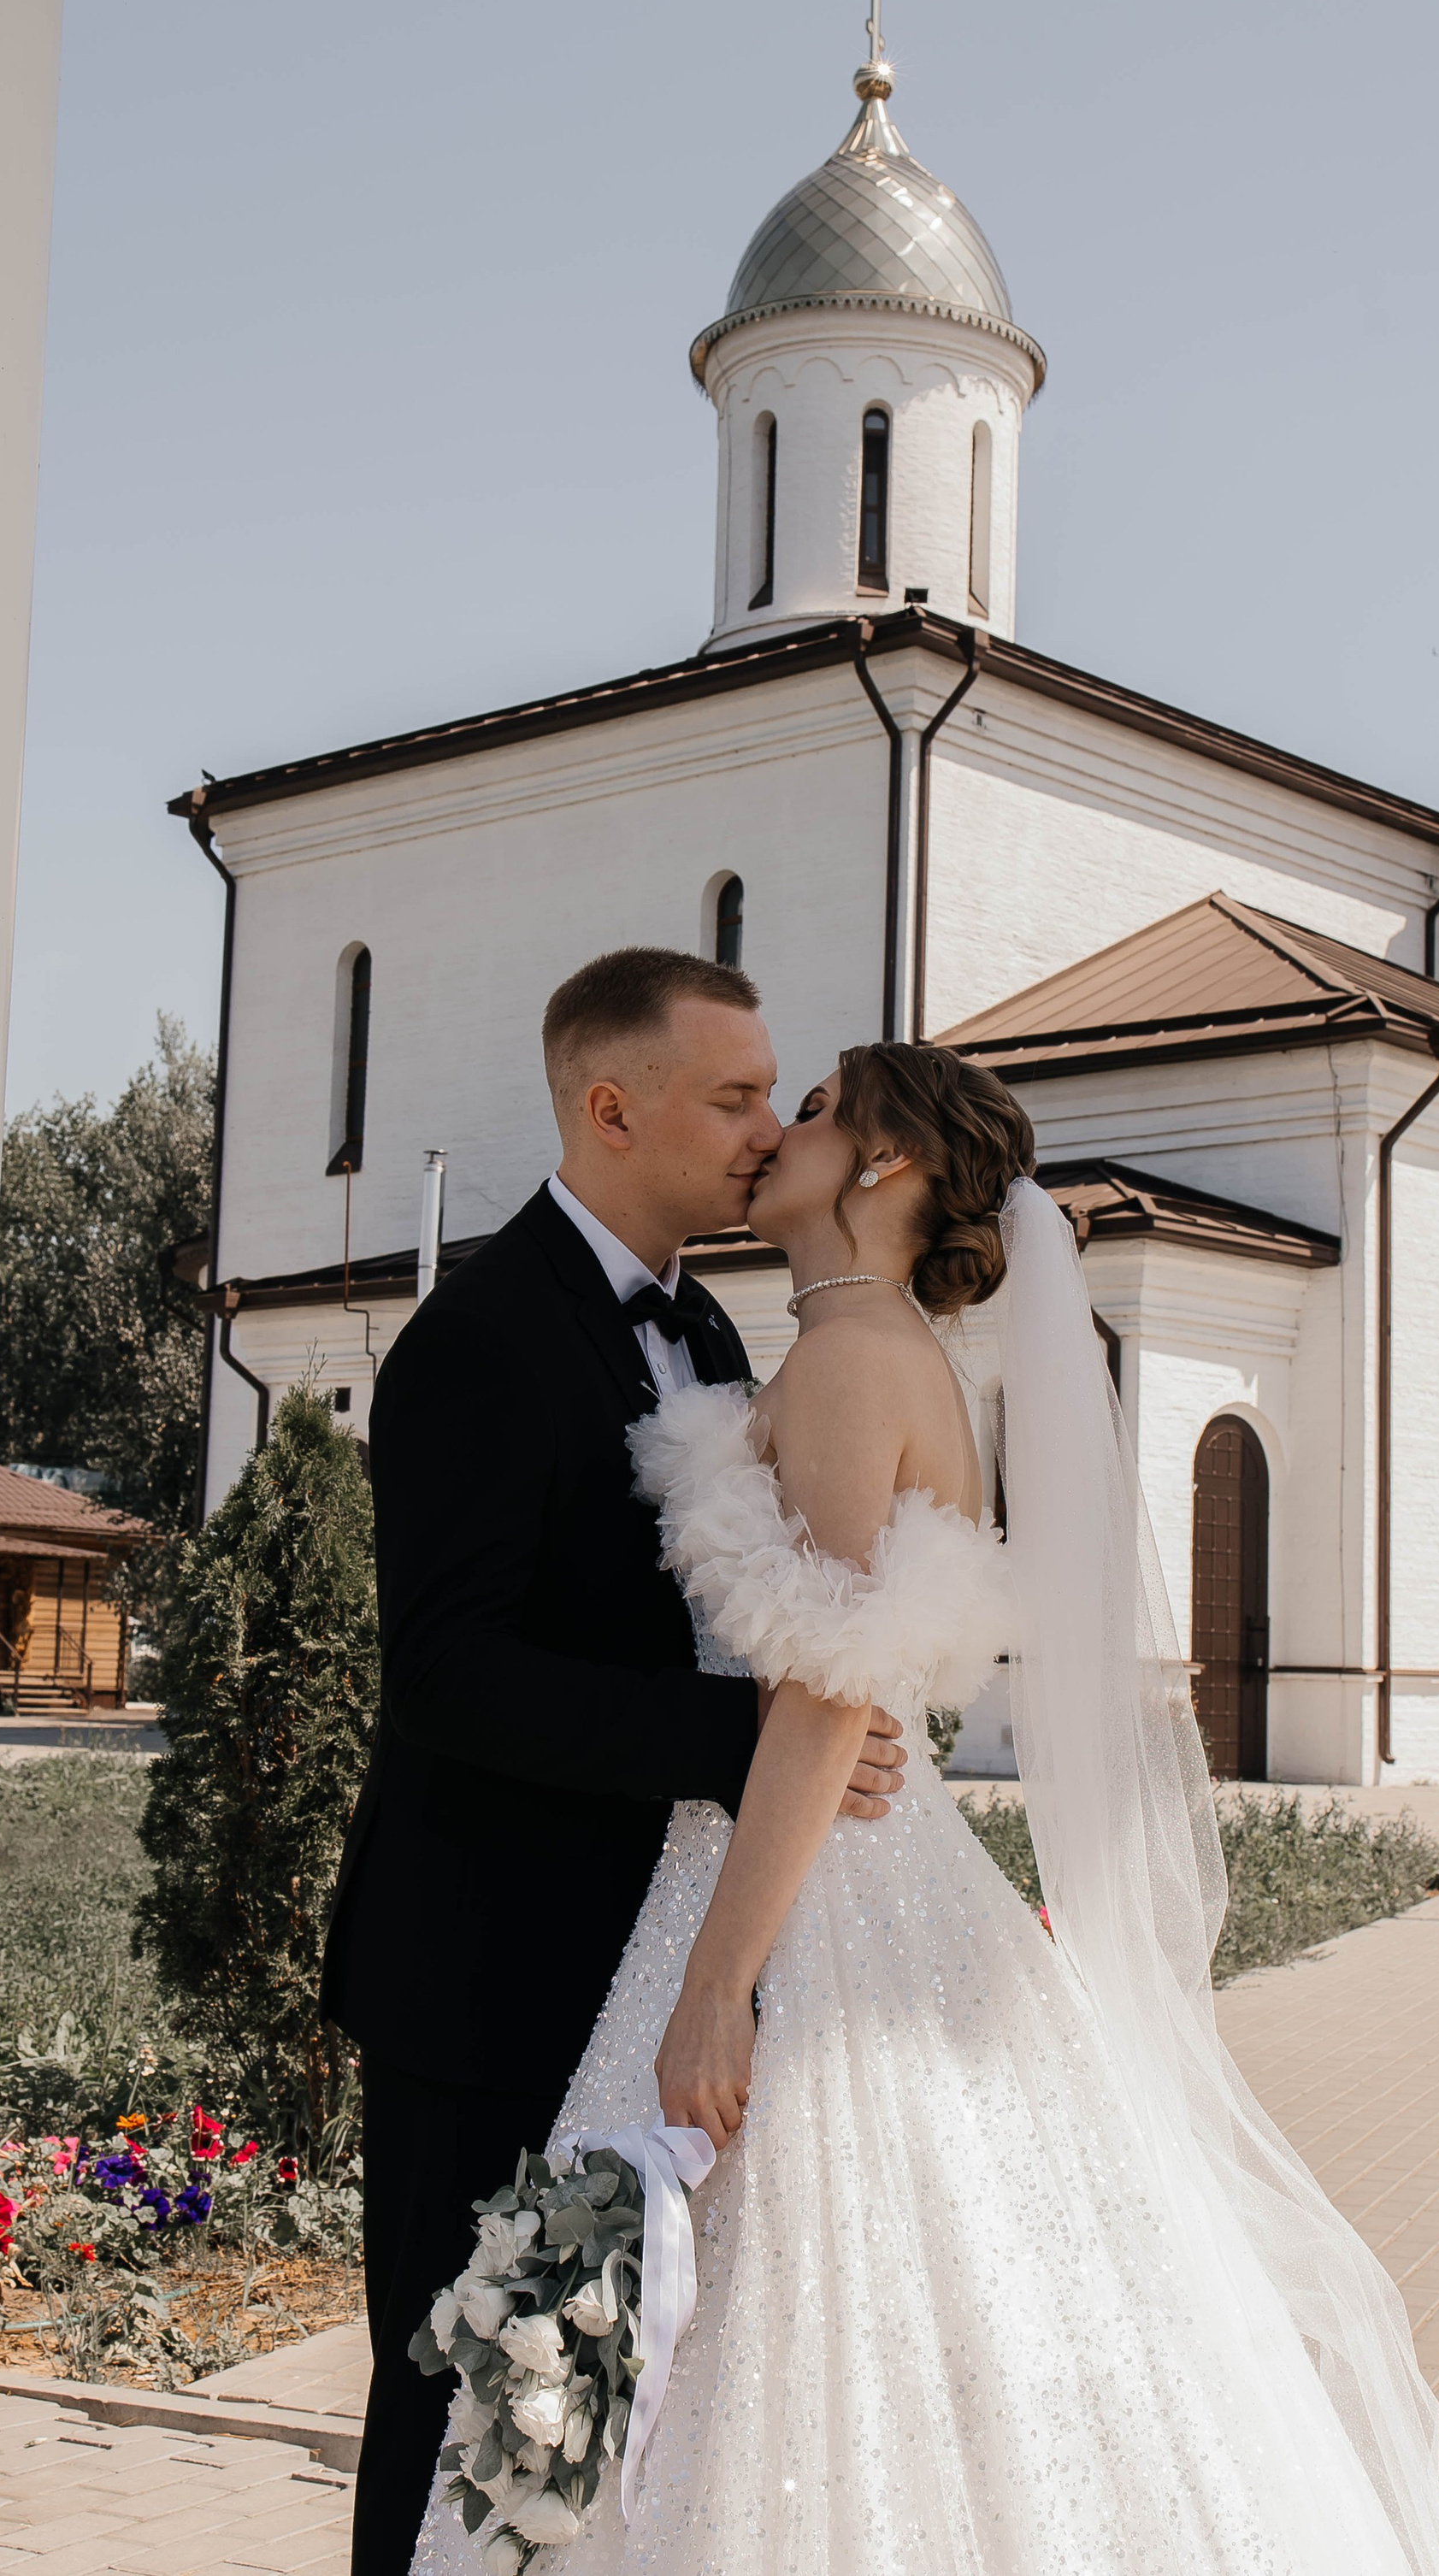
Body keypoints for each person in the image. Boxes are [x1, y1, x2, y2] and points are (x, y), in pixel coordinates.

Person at [413, 1040, 1439, 2576]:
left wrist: (719, 1985)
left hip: (814, 1901)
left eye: (808, 1109)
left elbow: (826, 1692)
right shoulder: (836, 1340)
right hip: (807, 1864)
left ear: (884, 1166)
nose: (772, 1134)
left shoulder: (858, 1359)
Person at [323, 950, 910, 2576]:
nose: (764, 1127)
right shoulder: (474, 1340)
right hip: (491, 1979)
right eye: (732, 1096)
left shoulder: (715, 1331)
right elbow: (449, 1674)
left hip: (648, 1971)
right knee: (463, 2404)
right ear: (609, 1105)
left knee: (607, 2417)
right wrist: (746, 1739)